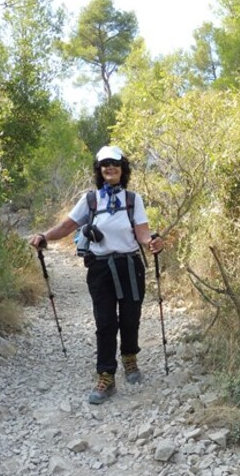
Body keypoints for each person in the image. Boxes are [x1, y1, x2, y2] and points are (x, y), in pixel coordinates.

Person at [29, 145, 164, 404]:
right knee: (105, 322)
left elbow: (143, 232)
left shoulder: (133, 200)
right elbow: (68, 225)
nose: (109, 167)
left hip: (129, 265)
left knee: (130, 317)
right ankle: (106, 375)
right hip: (101, 268)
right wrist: (45, 236)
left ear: (123, 168)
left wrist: (152, 242)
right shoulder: (90, 200)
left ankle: (129, 358)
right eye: (104, 164)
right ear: (99, 170)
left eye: (114, 163)